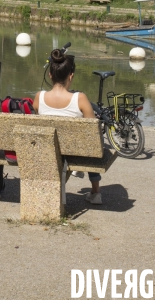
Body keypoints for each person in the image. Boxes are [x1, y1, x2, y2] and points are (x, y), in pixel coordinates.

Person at [33, 49, 103, 205]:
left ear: (50, 75)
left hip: (48, 150)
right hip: (73, 152)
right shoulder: (80, 98)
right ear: (71, 75)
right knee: (93, 142)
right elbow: (93, 130)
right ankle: (96, 192)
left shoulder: (39, 97)